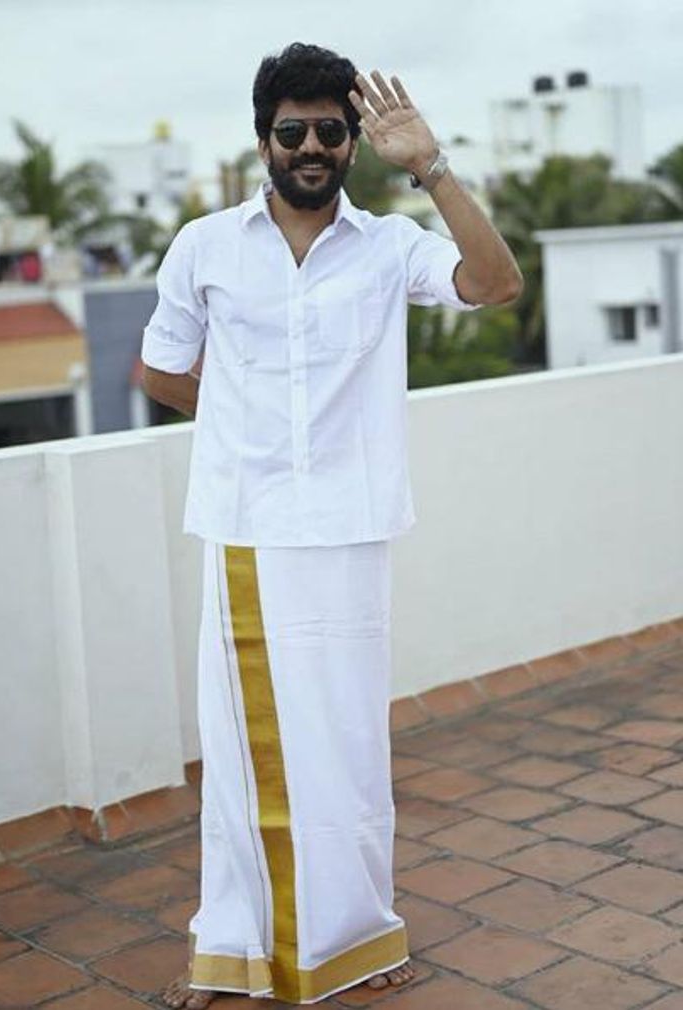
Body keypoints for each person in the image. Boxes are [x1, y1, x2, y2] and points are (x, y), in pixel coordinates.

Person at [142, 42, 522, 1009]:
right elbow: (160, 370)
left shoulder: (390, 246)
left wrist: (432, 167)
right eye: (292, 130)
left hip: (351, 530)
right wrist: (247, 428)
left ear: (353, 142)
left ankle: (355, 935)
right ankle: (231, 946)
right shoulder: (204, 246)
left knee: (348, 745)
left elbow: (495, 285)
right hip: (247, 531)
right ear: (262, 140)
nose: (310, 146)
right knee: (244, 753)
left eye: (329, 130)